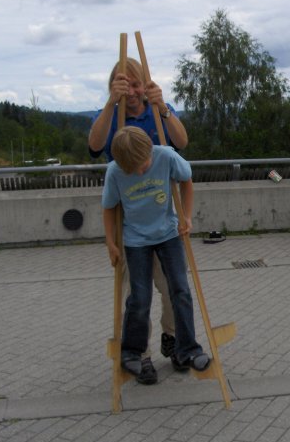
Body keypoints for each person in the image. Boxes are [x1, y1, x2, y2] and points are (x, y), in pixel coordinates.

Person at [89, 57, 188, 384]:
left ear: (144, 84)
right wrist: (111, 103)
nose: (131, 92)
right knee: (136, 296)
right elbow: (94, 146)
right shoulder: (110, 114)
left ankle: (173, 339)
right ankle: (140, 355)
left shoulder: (156, 110)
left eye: (136, 84)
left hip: (162, 220)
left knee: (173, 287)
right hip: (130, 223)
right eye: (124, 84)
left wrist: (164, 109)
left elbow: (182, 143)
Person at [102, 126, 210, 378]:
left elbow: (186, 180)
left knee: (180, 290)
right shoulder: (115, 171)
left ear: (150, 150)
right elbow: (108, 207)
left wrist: (186, 216)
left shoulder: (166, 156)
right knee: (139, 298)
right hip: (135, 240)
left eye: (143, 165)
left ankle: (187, 349)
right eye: (133, 170)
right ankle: (133, 352)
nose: (140, 172)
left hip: (168, 234)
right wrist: (111, 243)